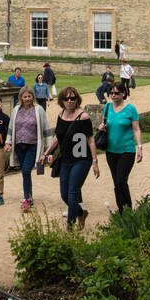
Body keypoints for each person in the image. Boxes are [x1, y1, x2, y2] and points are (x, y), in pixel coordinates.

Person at [42, 87, 99, 230]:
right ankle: (81, 212)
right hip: (66, 159)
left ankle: (70, 225)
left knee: (73, 191)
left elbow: (90, 140)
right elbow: (57, 137)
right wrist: (47, 152)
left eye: (72, 98)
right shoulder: (61, 114)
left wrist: (95, 161)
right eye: (66, 99)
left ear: (77, 99)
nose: (69, 101)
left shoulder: (83, 117)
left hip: (81, 159)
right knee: (64, 194)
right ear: (61, 100)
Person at [4, 86, 53, 212]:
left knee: (26, 171)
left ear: (33, 97)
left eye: (29, 96)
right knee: (24, 172)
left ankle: (27, 199)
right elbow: (10, 127)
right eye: (25, 97)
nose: (27, 99)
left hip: (33, 145)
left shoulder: (39, 110)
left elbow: (46, 128)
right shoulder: (16, 110)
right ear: (21, 97)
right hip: (19, 145)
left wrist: (49, 148)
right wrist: (8, 142)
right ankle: (28, 195)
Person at [97, 83, 142, 211]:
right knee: (116, 183)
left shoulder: (131, 109)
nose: (113, 95)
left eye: (116, 93)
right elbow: (105, 122)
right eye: (111, 93)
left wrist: (140, 147)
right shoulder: (107, 107)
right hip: (111, 150)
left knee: (122, 180)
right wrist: (101, 127)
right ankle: (122, 211)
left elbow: (136, 129)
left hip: (126, 150)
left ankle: (128, 209)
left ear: (123, 93)